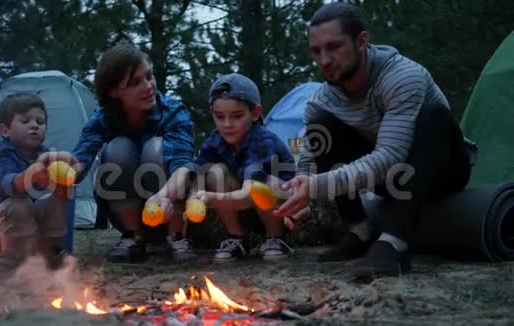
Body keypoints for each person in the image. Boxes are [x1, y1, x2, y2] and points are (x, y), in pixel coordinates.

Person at [275, 3, 472, 279]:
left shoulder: (402, 76)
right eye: (316, 51)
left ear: (362, 41)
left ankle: (394, 242)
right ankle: (360, 229)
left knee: (433, 115)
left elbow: (390, 154)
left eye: (334, 47)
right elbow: (309, 155)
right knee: (323, 127)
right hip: (393, 180)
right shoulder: (321, 99)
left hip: (442, 169)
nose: (324, 60)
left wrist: (317, 186)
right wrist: (301, 195)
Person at [41, 42, 196, 263]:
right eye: (135, 83)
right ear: (113, 92)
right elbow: (82, 158)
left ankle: (177, 236)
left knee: (155, 149)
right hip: (125, 211)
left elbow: (183, 166)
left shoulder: (173, 112)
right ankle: (133, 237)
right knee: (118, 148)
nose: (148, 86)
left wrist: (162, 196)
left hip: (169, 207)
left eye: (149, 76)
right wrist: (69, 164)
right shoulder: (103, 118)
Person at [184, 73, 308, 263]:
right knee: (215, 172)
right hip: (240, 204)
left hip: (279, 210)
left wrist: (210, 199)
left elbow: (250, 194)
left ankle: (275, 238)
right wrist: (193, 196)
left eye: (237, 116)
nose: (227, 124)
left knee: (268, 184)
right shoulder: (215, 140)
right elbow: (197, 173)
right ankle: (237, 238)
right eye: (219, 116)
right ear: (212, 113)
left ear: (256, 112)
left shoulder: (260, 140)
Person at [0, 93, 72, 278]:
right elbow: (10, 185)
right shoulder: (2, 155)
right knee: (19, 203)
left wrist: (65, 177)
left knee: (55, 198)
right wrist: (29, 175)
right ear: (5, 130)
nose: (35, 125)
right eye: (26, 121)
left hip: (31, 231)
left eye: (40, 121)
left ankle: (45, 255)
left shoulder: (46, 155)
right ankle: (6, 262)